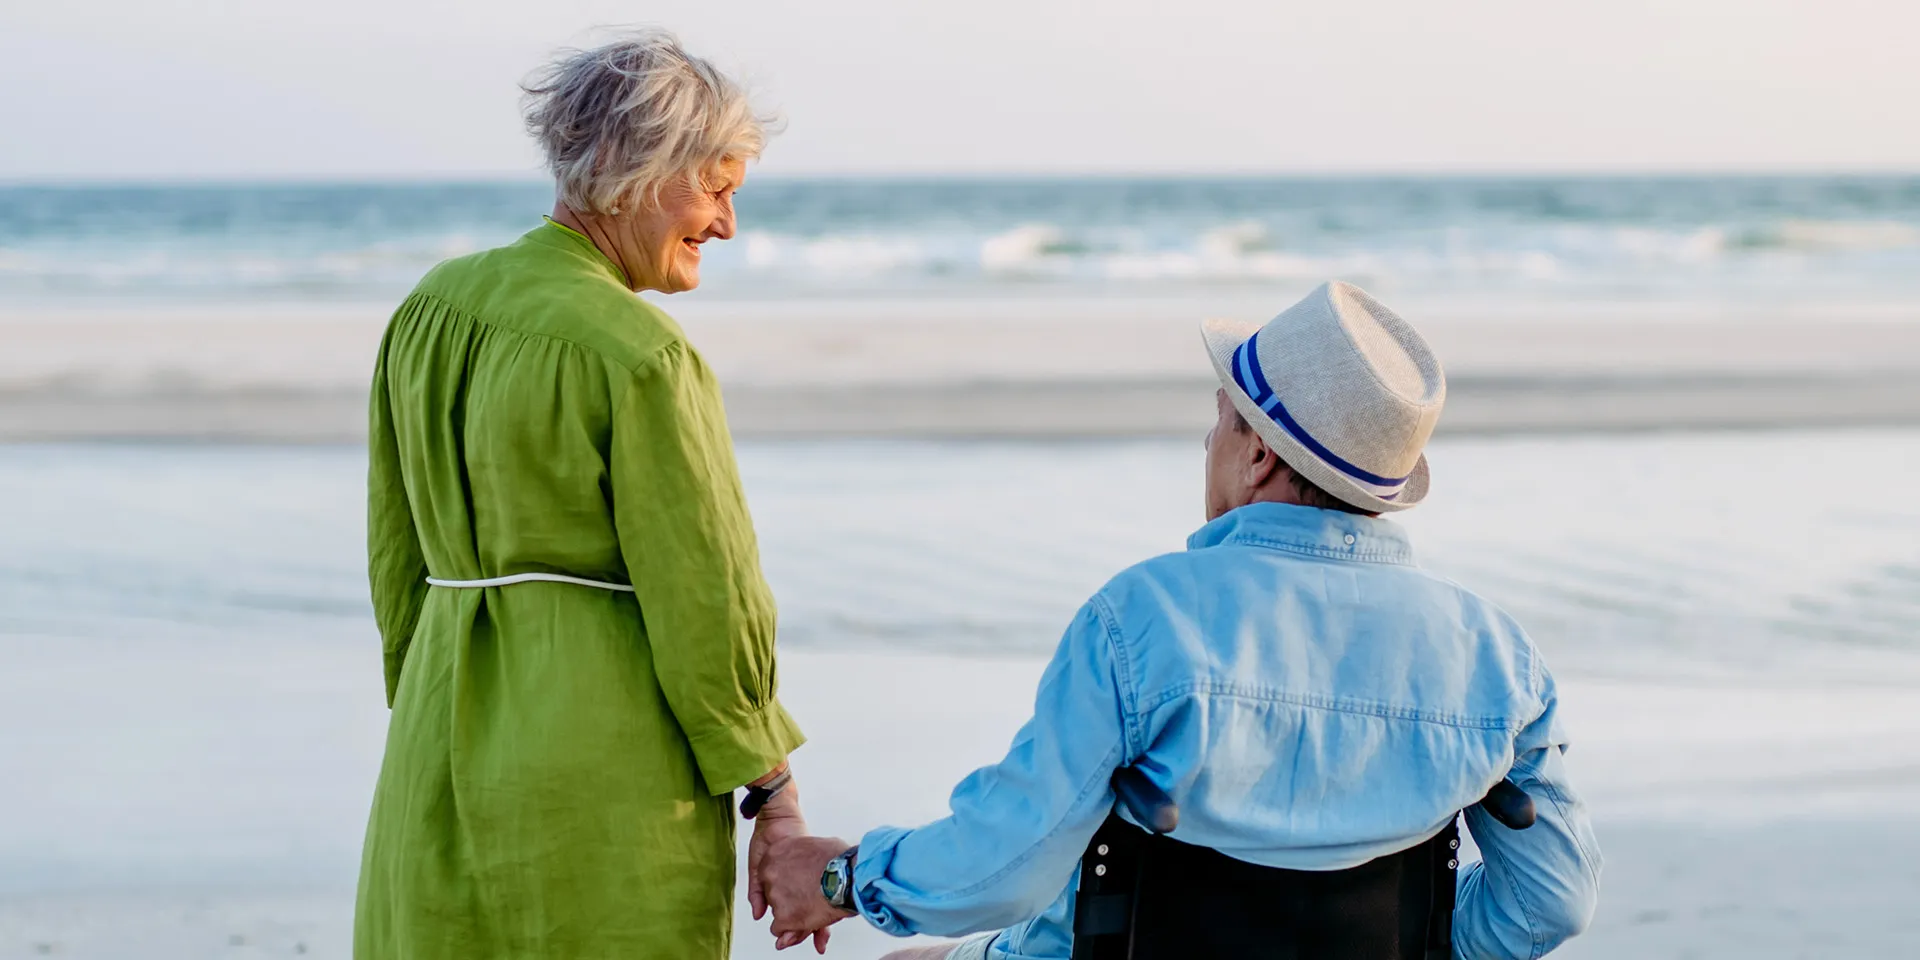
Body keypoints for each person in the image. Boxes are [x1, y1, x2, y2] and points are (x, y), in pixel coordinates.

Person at [759, 281, 1603, 959]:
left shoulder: (1143, 621)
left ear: (1259, 453)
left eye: (1219, 418)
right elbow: (1552, 901)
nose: (1208, 443)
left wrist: (842, 879)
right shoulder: (1497, 662)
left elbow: (1000, 870)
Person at [356, 30, 818, 959]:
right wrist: (773, 794)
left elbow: (394, 553)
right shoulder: (641, 355)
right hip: (606, 772)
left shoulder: (431, 310)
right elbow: (707, 600)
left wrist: (432, 702)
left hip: (435, 744)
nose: (727, 224)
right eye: (716, 188)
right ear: (636, 171)